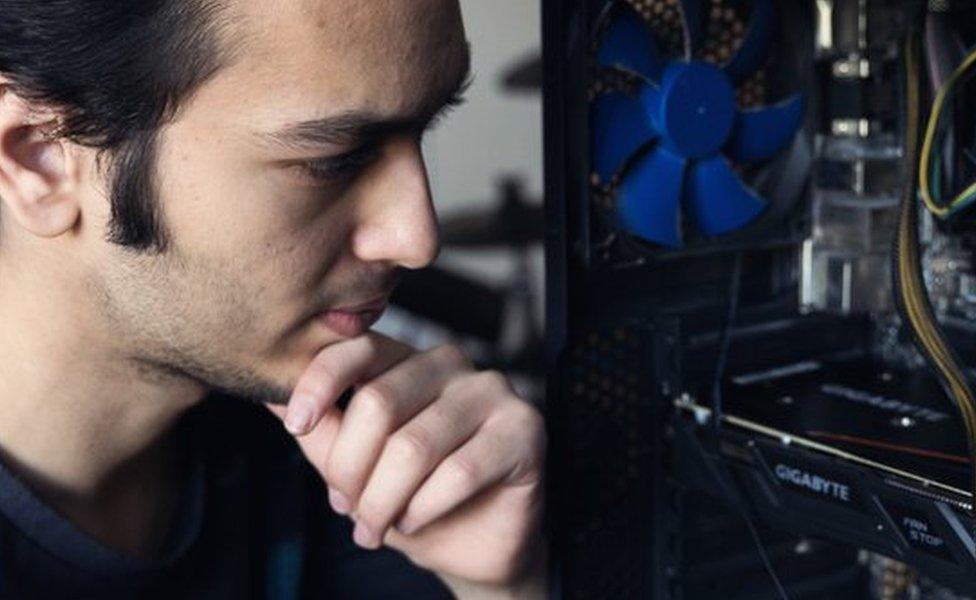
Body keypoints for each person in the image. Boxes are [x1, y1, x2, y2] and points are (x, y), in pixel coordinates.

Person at [0, 0, 548, 598]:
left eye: (424, 129)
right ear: (39, 158)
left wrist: (505, 587)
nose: (418, 239)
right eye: (332, 160)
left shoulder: (360, 471)